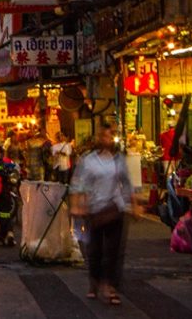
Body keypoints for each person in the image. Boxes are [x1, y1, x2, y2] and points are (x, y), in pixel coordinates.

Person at [69, 122, 136, 306]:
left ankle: (110, 286)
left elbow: (127, 183)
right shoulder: (88, 160)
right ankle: (95, 282)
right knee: (95, 249)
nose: (108, 138)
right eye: (105, 135)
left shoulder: (119, 160)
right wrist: (77, 205)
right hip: (94, 210)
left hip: (115, 209)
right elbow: (78, 184)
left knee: (113, 251)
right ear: (99, 138)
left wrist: (134, 204)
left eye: (111, 135)